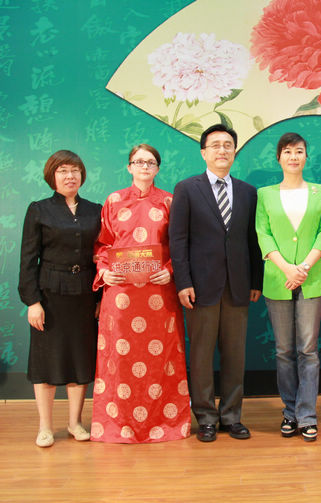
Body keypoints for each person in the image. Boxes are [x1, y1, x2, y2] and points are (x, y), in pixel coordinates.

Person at [169, 124, 263, 443]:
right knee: (201, 355)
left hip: (238, 285)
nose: (222, 150)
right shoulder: (186, 188)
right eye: (215, 145)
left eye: (228, 145)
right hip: (200, 287)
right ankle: (206, 417)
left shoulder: (248, 192)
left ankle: (232, 416)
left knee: (235, 355)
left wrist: (256, 279)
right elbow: (178, 240)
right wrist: (183, 281)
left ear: (234, 151)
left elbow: (252, 240)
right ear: (203, 153)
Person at [91, 144, 190, 443]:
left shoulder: (170, 202)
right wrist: (104, 272)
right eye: (138, 161)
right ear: (129, 167)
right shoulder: (114, 200)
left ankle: (165, 424)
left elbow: (181, 245)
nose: (144, 166)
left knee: (162, 360)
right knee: (119, 361)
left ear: (158, 168)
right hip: (120, 295)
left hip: (159, 294)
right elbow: (103, 245)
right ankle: (118, 425)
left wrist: (170, 270)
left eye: (150, 162)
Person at [18, 150, 101, 447]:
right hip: (50, 297)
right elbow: (28, 259)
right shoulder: (39, 210)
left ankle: (75, 422)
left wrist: (100, 299)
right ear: (52, 176)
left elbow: (102, 255)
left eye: (75, 170)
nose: (70, 176)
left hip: (85, 296)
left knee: (80, 360)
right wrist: (32, 302)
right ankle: (45, 427)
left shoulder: (95, 210)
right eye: (63, 170)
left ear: (82, 175)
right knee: (46, 361)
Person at [255, 132, 321, 442]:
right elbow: (263, 233)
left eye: (299, 151)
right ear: (278, 158)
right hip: (278, 278)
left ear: (306, 156)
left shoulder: (320, 191)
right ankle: (289, 412)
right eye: (287, 151)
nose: (293, 157)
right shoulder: (265, 194)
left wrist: (304, 268)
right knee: (284, 350)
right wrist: (287, 268)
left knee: (308, 350)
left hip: (312, 278)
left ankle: (307, 415)